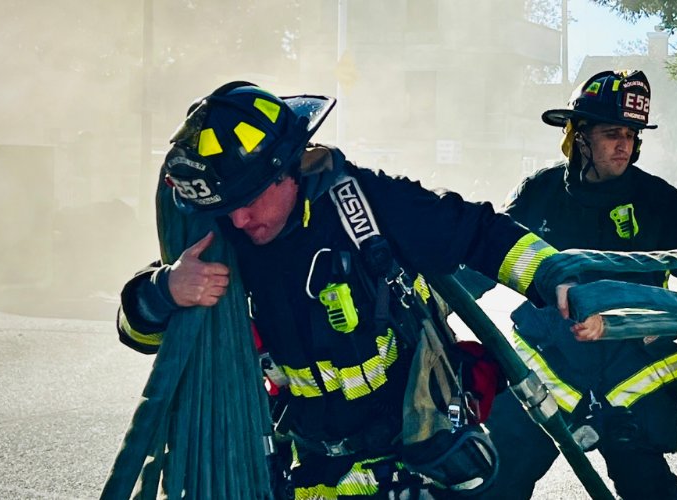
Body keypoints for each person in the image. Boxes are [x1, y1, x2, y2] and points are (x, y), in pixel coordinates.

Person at [114, 81, 603, 498]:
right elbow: (142, 335)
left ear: (289, 167)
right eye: (229, 206)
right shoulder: (228, 236)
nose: (239, 219)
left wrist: (551, 276)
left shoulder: (367, 206)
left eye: (250, 200)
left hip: (408, 459)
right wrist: (165, 290)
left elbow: (478, 232)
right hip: (307, 467)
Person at [480, 69, 677, 499]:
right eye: (611, 133)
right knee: (499, 482)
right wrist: (434, 293)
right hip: (549, 369)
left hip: (628, 376)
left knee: (648, 488)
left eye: (631, 133)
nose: (624, 144)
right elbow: (487, 258)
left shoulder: (660, 203)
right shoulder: (540, 193)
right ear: (578, 136)